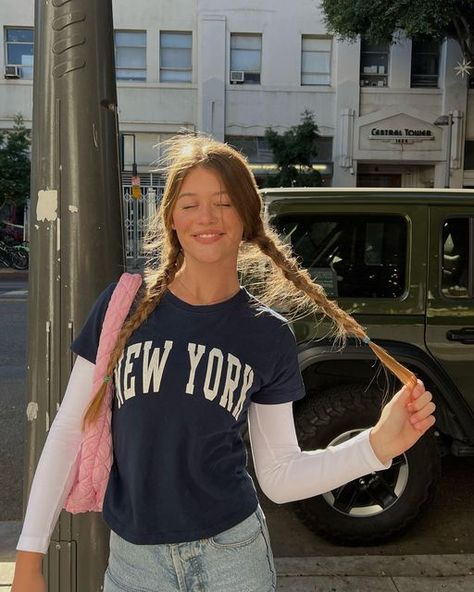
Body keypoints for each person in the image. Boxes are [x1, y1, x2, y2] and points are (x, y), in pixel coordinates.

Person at [12, 134, 436, 592]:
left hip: (233, 559)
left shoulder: (267, 332)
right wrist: (29, 555)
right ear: (171, 217)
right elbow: (68, 431)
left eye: (223, 202)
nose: (206, 217)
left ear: (247, 217)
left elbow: (278, 476)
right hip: (135, 565)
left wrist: (375, 445)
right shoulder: (123, 306)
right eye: (190, 203)